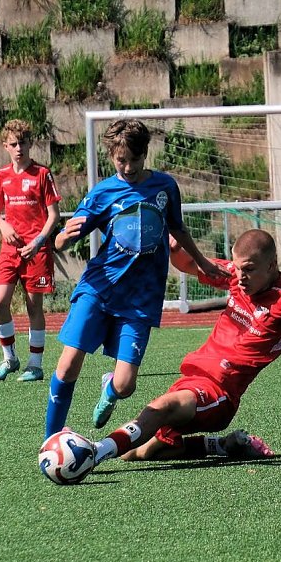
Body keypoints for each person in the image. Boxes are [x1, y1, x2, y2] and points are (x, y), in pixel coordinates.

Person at [86, 228, 281, 470]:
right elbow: (187, 264)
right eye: (236, 268)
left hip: (220, 394)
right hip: (191, 380)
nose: (241, 277)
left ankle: (93, 452)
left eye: (249, 269)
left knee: (160, 408)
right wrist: (176, 249)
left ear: (271, 266)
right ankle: (222, 445)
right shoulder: (234, 278)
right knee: (134, 453)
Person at [46, 118, 226, 437]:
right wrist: (61, 239)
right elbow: (62, 240)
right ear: (111, 156)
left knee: (126, 385)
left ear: (145, 154)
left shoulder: (165, 187)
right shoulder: (103, 193)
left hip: (141, 298)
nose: (127, 167)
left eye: (134, 159)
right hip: (99, 289)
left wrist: (201, 263)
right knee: (68, 363)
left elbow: (177, 229)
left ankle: (110, 390)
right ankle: (51, 439)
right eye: (120, 160)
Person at [0, 119, 61, 382]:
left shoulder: (42, 174)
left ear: (30, 144)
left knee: (33, 308)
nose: (19, 148)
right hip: (10, 250)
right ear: (5, 146)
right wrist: (4, 226)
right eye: (14, 144)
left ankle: (35, 364)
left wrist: (39, 241)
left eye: (23, 143)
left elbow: (54, 215)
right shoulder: (2, 176)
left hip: (36, 250)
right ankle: (9, 358)